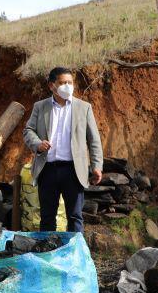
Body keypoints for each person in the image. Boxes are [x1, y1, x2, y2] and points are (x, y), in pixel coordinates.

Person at [23, 67, 104, 232]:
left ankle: (74, 255)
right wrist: (37, 143)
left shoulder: (84, 107)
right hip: (47, 169)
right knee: (47, 217)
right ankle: (48, 255)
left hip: (73, 170)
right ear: (51, 86)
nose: (67, 86)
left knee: (75, 217)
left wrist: (97, 165)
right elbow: (28, 130)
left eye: (70, 82)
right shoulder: (40, 106)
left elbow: (93, 139)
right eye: (62, 83)